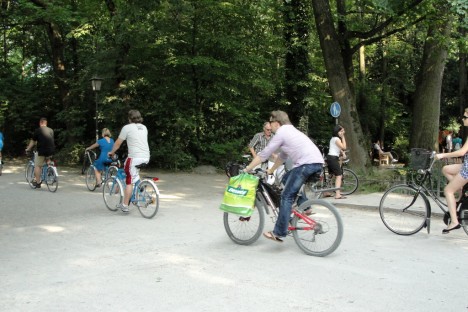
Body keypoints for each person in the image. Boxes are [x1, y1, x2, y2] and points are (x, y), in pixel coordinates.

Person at [243, 110, 324, 243]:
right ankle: (305, 207)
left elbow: (264, 154)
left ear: (277, 123)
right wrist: (271, 170)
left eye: (271, 122)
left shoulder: (281, 133)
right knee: (286, 178)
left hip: (306, 165)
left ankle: (279, 232)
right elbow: (283, 156)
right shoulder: (292, 131)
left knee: (286, 196)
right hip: (317, 163)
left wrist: (248, 168)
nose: (270, 126)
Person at [108, 110, 150, 213]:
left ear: (129, 118)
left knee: (129, 181)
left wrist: (112, 152)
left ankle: (125, 205)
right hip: (146, 157)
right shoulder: (144, 127)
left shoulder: (127, 128)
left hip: (134, 158)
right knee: (134, 174)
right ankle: (140, 190)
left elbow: (118, 143)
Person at [436, 109, 468, 233]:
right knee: (446, 169)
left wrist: (443, 156)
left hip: (467, 167)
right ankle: (460, 191)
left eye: (465, 117)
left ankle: (454, 222)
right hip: (466, 164)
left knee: (448, 190)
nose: (463, 119)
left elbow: (461, 152)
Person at [25, 117, 55, 188]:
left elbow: (33, 141)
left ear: (40, 123)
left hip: (42, 150)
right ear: (46, 123)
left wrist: (28, 149)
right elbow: (48, 140)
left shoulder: (38, 130)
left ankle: (38, 183)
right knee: (48, 160)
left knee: (38, 166)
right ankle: (51, 171)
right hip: (51, 150)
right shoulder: (51, 130)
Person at [327, 125, 347, 199]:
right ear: (337, 131)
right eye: (341, 131)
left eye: (343, 131)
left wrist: (343, 153)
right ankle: (337, 194)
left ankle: (326, 192)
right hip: (333, 158)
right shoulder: (336, 139)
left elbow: (338, 148)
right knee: (339, 175)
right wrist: (343, 137)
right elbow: (344, 147)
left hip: (330, 157)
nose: (343, 132)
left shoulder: (333, 139)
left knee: (331, 175)